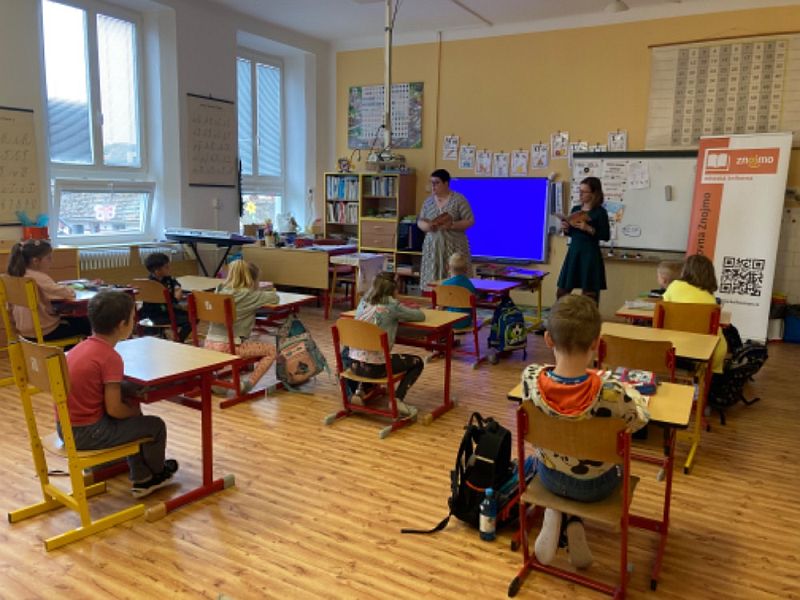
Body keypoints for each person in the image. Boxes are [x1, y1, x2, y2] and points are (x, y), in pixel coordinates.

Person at [521, 295, 649, 569]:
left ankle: (557, 512)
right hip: (597, 487)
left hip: (549, 477)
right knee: (610, 459)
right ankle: (572, 520)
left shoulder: (530, 378)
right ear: (596, 344)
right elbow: (638, 421)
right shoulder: (612, 391)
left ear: (548, 340)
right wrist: (633, 394)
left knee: (557, 454)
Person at [64, 290, 179, 498]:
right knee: (154, 426)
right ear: (122, 325)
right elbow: (115, 410)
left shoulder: (78, 349)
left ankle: (141, 473)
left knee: (130, 414)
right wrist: (134, 411)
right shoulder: (110, 357)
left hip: (66, 430)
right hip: (89, 434)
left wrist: (127, 393)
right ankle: (155, 474)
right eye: (133, 318)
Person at [348, 272, 426, 417]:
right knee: (417, 362)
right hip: (376, 368)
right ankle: (397, 399)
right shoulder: (392, 305)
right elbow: (420, 316)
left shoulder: (363, 301)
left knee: (368, 355)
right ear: (393, 289)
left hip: (354, 365)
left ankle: (360, 392)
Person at [203, 259, 279, 396]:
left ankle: (215, 381)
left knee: (245, 343)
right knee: (271, 350)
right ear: (251, 279)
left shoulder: (219, 290)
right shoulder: (248, 295)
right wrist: (259, 289)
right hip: (230, 346)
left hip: (208, 343)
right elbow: (275, 298)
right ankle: (247, 385)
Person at [6, 239, 92, 342]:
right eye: (49, 258)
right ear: (35, 261)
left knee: (73, 320)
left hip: (23, 332)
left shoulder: (15, 277)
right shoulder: (38, 277)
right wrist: (70, 289)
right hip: (44, 331)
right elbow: (68, 293)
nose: (52, 261)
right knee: (86, 324)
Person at [662, 254, 727, 374]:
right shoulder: (710, 297)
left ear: (685, 270)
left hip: (682, 348)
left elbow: (664, 312)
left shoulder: (674, 286)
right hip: (713, 351)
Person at [417, 169, 475, 291]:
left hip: (454, 246)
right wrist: (427, 226)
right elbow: (420, 221)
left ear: (446, 183)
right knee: (433, 279)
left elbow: (469, 221)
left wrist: (452, 225)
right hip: (433, 247)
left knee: (455, 280)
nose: (433, 186)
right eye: (431, 183)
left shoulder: (458, 199)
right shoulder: (428, 202)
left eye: (436, 183)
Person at [556, 177, 610, 305]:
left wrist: (589, 228)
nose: (580, 194)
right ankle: (562, 314)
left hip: (590, 255)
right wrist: (566, 228)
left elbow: (605, 235)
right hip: (574, 253)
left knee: (589, 295)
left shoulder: (600, 212)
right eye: (579, 191)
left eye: (584, 192)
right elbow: (572, 233)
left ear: (594, 193)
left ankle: (590, 317)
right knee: (562, 292)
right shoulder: (576, 209)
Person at [140, 252, 191, 342]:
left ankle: (175, 338)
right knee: (192, 318)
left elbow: (175, 283)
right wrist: (177, 297)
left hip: (159, 312)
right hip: (158, 315)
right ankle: (179, 340)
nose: (169, 268)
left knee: (187, 313)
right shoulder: (154, 285)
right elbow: (171, 302)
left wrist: (177, 286)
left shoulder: (166, 279)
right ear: (157, 271)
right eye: (166, 267)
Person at [440, 252, 478, 328]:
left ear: (449, 268)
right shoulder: (470, 285)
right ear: (466, 269)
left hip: (447, 321)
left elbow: (441, 305)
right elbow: (472, 305)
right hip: (465, 321)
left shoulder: (444, 284)